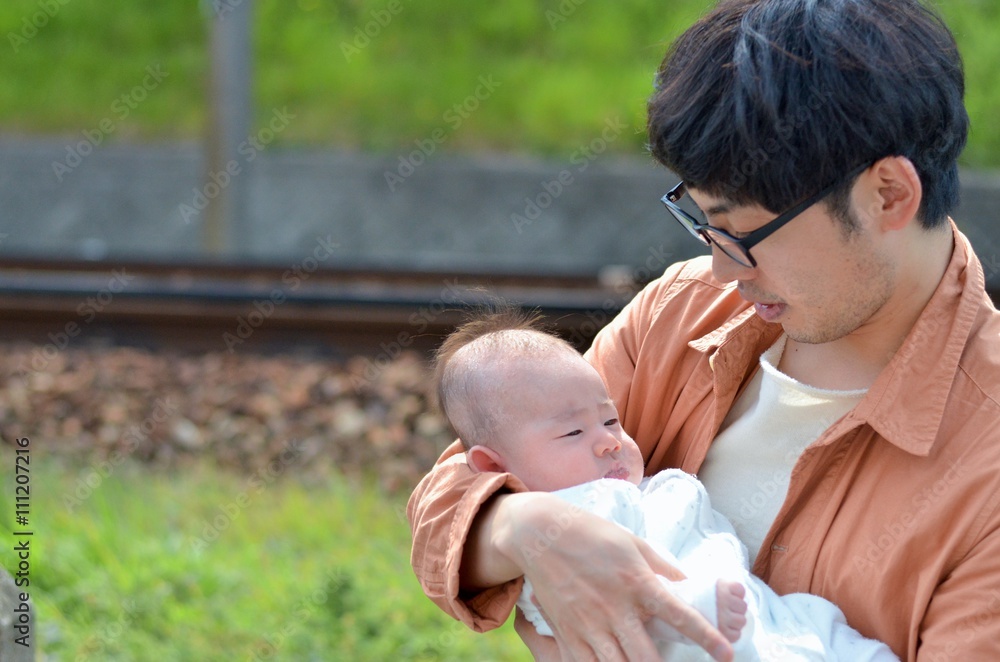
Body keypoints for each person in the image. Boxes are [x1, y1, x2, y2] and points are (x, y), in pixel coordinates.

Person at [408, 0, 1000, 660]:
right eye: (706, 225)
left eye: (744, 234)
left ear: (888, 193)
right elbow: (458, 488)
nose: (720, 269)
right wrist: (524, 528)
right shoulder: (681, 313)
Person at [433, 309, 899, 660]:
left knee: (821, 627)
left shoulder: (643, 488)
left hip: (762, 610)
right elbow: (594, 603)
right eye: (573, 433)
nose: (608, 443)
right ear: (494, 467)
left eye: (611, 420)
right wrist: (693, 605)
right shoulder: (573, 522)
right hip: (698, 635)